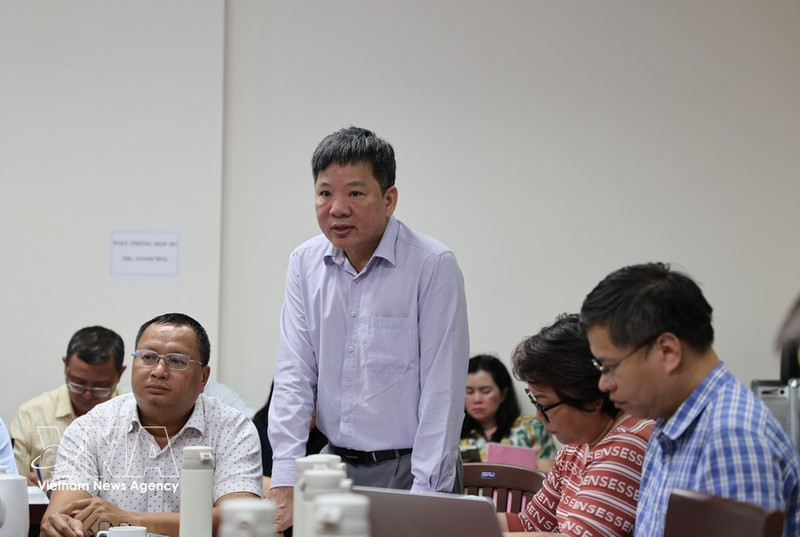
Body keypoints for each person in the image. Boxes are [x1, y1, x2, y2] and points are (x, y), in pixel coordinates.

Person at [267, 126, 469, 533]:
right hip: (330, 470)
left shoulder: (432, 265)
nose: (338, 208)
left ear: (389, 199)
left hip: (410, 470)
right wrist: (285, 478)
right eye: (325, 193)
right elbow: (294, 375)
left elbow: (441, 391)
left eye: (355, 193)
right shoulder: (304, 263)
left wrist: (427, 494)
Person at [580, 262, 800, 537]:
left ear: (668, 351)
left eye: (609, 366)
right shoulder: (669, 418)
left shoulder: (732, 436)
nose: (603, 383)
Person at [40, 312, 263, 537]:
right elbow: (63, 515)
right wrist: (61, 526)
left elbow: (241, 520)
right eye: (148, 357)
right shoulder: (91, 427)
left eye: (176, 361)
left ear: (203, 378)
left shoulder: (232, 429)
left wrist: (131, 520)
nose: (158, 371)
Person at [499, 314, 653, 535]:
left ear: (591, 399)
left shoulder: (628, 446)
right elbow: (529, 524)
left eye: (544, 404)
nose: (539, 417)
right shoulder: (575, 448)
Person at [10, 326, 126, 485]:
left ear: (120, 374)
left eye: (101, 387)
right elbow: (10, 480)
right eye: (77, 383)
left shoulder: (136, 415)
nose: (87, 394)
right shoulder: (31, 415)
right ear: (65, 367)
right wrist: (22, 484)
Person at [461, 354, 556, 472]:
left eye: (485, 391)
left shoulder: (531, 428)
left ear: (503, 394)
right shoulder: (453, 436)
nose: (477, 399)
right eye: (469, 392)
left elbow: (548, 478)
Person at [254, 382, 327, 493]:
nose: (310, 409)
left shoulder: (326, 440)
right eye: (299, 401)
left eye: (316, 400)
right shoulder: (253, 432)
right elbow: (246, 482)